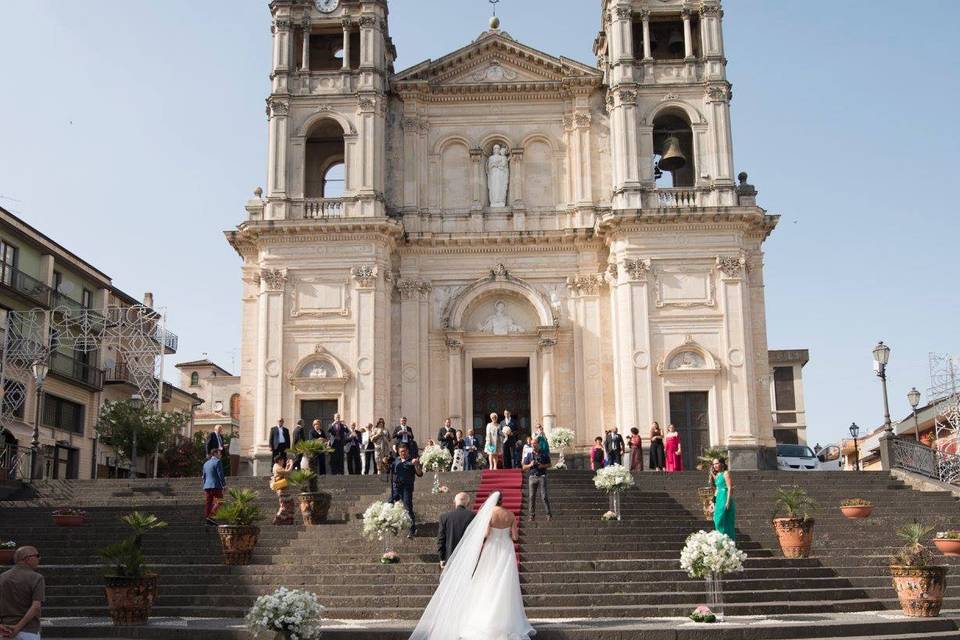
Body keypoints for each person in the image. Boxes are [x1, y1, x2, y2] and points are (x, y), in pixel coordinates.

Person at [410, 491, 534, 640]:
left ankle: (485, 616)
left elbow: (486, 534)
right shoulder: (511, 515)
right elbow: (514, 537)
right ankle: (504, 619)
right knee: (504, 583)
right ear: (503, 501)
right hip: (506, 551)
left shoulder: (489, 514)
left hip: (491, 548)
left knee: (486, 581)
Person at [0, 546, 44, 640]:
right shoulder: (36, 577)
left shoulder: (2, 577)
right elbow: (36, 607)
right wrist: (17, 628)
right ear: (28, 558)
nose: (39, 559)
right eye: (37, 556)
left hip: (5, 630)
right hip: (28, 630)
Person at [390, 445, 422, 538]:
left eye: (404, 451)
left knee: (408, 507)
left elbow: (420, 473)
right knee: (389, 503)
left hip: (406, 488)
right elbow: (390, 468)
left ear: (407, 451)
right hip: (396, 487)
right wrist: (385, 462)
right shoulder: (397, 460)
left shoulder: (412, 461)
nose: (402, 453)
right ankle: (392, 526)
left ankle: (412, 530)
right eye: (400, 452)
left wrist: (416, 465)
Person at [437, 493, 475, 569]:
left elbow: (441, 539)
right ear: (468, 503)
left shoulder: (444, 517)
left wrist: (442, 558)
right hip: (468, 556)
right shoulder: (474, 516)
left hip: (450, 556)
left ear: (454, 502)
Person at [522, 439, 552, 521]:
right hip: (532, 477)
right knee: (531, 497)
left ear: (538, 444)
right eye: (531, 444)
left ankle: (548, 514)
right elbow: (524, 467)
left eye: (534, 443)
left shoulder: (544, 454)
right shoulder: (528, 455)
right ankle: (531, 516)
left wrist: (542, 466)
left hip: (542, 476)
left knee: (544, 496)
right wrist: (530, 465)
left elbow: (550, 464)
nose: (533, 445)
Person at [712, 457, 736, 540]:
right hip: (718, 498)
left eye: (716, 463)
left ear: (721, 464)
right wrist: (713, 502)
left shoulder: (726, 473)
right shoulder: (717, 475)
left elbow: (730, 488)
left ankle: (727, 542)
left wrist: (728, 502)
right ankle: (720, 540)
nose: (715, 466)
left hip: (725, 497)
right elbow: (717, 489)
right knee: (717, 520)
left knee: (724, 520)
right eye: (714, 464)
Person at [202, 448, 225, 525]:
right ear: (215, 454)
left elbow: (204, 476)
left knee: (208, 503)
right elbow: (220, 475)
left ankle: (207, 520)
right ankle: (211, 517)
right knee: (220, 501)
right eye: (219, 453)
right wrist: (224, 485)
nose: (220, 455)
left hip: (207, 486)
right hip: (216, 486)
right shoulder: (218, 462)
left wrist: (205, 485)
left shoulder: (206, 463)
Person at [271, 452, 295, 525]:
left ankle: (288, 520)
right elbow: (287, 473)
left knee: (290, 504)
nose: (283, 462)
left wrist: (287, 466)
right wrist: (291, 464)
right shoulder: (277, 467)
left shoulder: (277, 466)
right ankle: (277, 519)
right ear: (279, 460)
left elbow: (284, 473)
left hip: (284, 489)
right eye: (282, 461)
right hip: (282, 490)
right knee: (285, 505)